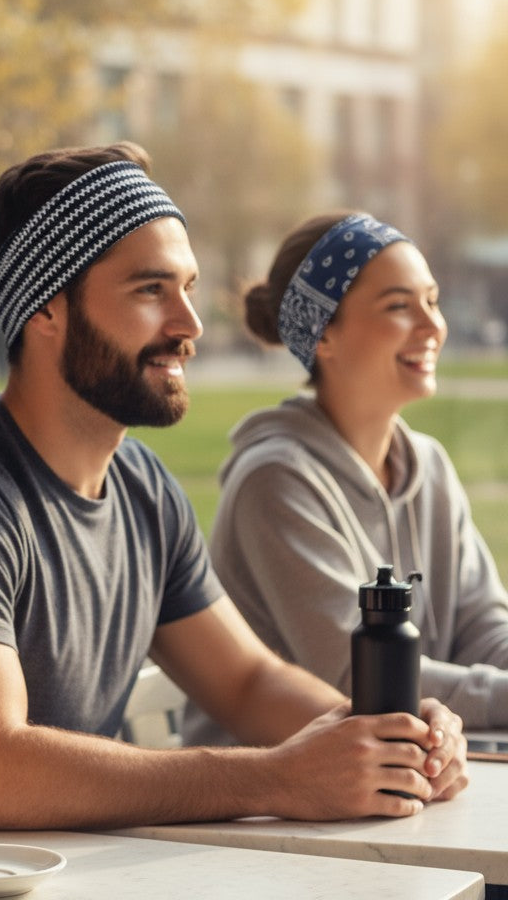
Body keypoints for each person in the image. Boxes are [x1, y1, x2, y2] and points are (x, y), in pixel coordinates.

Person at [0, 142, 468, 834]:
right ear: (46, 309)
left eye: (188, 288)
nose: (190, 326)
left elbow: (246, 681)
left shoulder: (144, 487)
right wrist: (277, 777)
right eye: (151, 290)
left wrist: (391, 737)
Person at [186, 210, 508, 747]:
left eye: (431, 300)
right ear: (325, 336)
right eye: (399, 307)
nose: (433, 326)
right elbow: (358, 682)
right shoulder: (275, 481)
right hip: (264, 812)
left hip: (400, 777)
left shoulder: (429, 465)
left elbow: (485, 627)